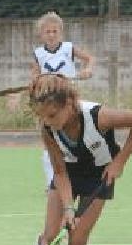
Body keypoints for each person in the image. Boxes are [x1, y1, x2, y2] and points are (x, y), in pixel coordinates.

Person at [15, 73, 132, 245]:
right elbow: (59, 171)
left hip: (100, 175)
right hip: (68, 173)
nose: (48, 121)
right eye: (43, 116)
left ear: (69, 103)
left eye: (53, 115)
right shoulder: (48, 128)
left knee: (77, 240)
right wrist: (68, 208)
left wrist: (120, 161)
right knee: (51, 232)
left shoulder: (98, 116)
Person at [29, 11, 95, 190]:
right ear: (41, 34)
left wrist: (87, 70)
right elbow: (34, 77)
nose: (51, 35)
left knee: (78, 136)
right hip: (49, 103)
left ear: (61, 32)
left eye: (54, 31)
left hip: (69, 99)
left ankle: (82, 176)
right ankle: (52, 182)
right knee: (49, 141)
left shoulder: (68, 48)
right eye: (47, 32)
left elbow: (90, 59)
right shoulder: (38, 54)